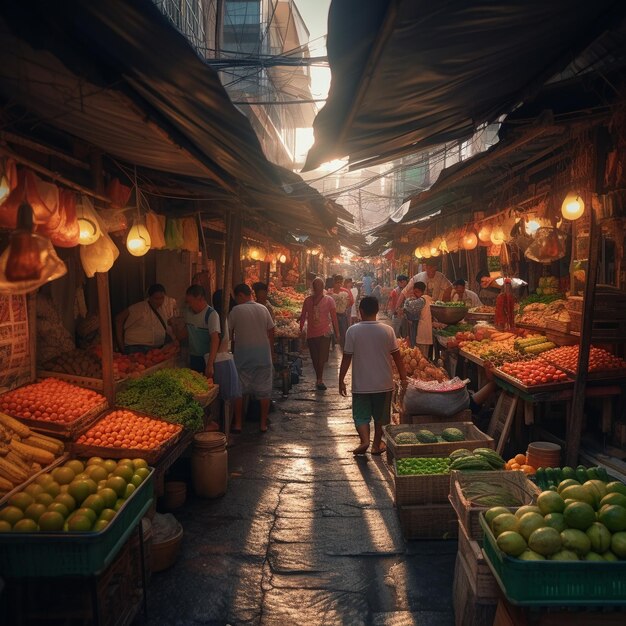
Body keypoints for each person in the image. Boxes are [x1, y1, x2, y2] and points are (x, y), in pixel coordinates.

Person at [339, 296, 407, 456]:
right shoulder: (387, 330)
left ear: (361, 311)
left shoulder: (352, 331)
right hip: (383, 384)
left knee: (361, 415)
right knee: (381, 417)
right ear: (377, 310)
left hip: (361, 384)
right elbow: (397, 357)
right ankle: (376, 445)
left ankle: (364, 440)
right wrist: (404, 378)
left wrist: (341, 380)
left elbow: (346, 358)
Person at [229, 283, 275, 432]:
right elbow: (271, 330)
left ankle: (238, 424)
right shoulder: (263, 309)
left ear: (241, 295)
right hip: (263, 356)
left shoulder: (236, 310)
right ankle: (262, 424)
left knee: (239, 391)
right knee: (264, 391)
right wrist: (271, 351)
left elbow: (228, 332)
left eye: (237, 298)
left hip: (242, 357)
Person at [299, 277, 340, 390]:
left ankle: (319, 379)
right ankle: (318, 378)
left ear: (322, 287)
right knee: (315, 358)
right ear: (313, 288)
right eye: (315, 286)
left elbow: (334, 318)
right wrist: (301, 329)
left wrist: (337, 333)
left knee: (321, 358)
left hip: (324, 333)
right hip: (311, 334)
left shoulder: (329, 300)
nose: (317, 289)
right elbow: (303, 316)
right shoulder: (307, 301)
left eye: (319, 286)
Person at [210, 289, 243, 432]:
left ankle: (228, 426)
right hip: (224, 359)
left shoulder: (217, 316)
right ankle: (233, 426)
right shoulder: (221, 316)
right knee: (231, 395)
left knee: (222, 398)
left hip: (219, 359)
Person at [115, 284, 176, 355]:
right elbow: (118, 319)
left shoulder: (165, 309)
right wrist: (121, 345)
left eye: (162, 298)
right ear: (150, 297)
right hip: (136, 347)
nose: (159, 301)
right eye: (156, 299)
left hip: (156, 348)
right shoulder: (138, 308)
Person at [176, 285, 220, 374]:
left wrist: (210, 364)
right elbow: (183, 334)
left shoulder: (211, 315)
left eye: (190, 302)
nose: (189, 305)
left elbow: (215, 339)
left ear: (200, 298)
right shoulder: (188, 313)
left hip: (206, 358)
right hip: (193, 357)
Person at [403, 281, 433, 358]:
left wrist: (408, 299)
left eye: (417, 292)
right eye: (414, 291)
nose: (416, 294)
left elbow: (408, 307)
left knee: (420, 357)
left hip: (422, 332)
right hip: (427, 332)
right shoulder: (429, 299)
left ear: (423, 291)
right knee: (424, 356)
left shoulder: (422, 300)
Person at [328, 274, 354, 347]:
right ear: (334, 282)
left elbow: (351, 302)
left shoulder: (346, 291)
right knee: (332, 332)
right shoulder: (330, 292)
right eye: (337, 282)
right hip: (332, 316)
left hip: (342, 315)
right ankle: (333, 344)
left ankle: (344, 346)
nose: (339, 284)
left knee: (343, 332)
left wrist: (345, 305)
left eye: (340, 283)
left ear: (342, 283)